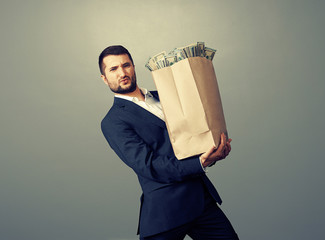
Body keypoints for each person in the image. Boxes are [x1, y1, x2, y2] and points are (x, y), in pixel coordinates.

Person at [98, 45, 239, 240]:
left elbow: (191, 141)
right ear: (104, 78)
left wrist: (213, 151)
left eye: (126, 65)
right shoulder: (113, 122)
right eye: (113, 69)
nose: (122, 72)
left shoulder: (164, 95)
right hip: (166, 211)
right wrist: (200, 163)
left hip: (201, 200)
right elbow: (149, 166)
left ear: (133, 67)